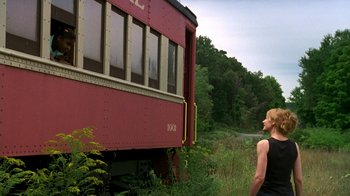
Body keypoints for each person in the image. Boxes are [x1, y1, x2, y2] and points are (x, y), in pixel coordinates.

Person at [249, 108, 303, 196]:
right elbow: (298, 179)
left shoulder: (264, 144)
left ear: (273, 122)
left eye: (266, 118)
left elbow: (259, 178)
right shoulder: (294, 146)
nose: (263, 121)